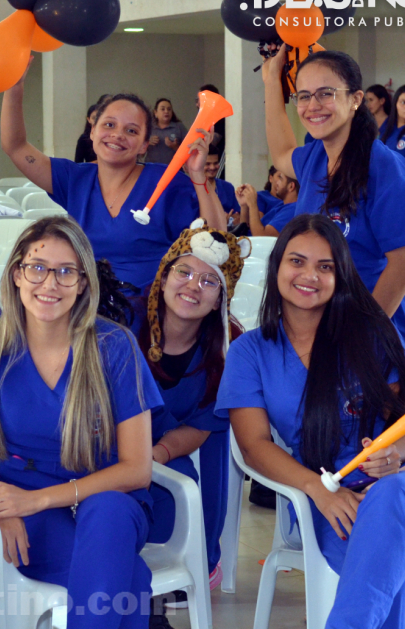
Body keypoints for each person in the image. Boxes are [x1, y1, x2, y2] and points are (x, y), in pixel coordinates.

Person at [218, 214, 405, 629]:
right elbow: (253, 446)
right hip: (334, 499)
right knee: (389, 569)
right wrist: (318, 489)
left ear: (341, 275)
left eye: (325, 266)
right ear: (277, 265)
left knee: (391, 499)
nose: (309, 276)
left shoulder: (370, 333)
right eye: (297, 262)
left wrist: (391, 453)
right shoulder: (250, 351)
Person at [0, 216, 163, 629]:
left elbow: (137, 469)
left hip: (105, 493)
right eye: (37, 268)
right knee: (128, 582)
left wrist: (41, 499)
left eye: (66, 272)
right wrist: (2, 505)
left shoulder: (114, 345)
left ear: (83, 283)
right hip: (23, 500)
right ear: (17, 275)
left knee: (111, 513)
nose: (50, 284)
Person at [0, 61, 226, 299]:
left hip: (150, 319)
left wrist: (198, 174)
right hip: (83, 313)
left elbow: (216, 241)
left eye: (131, 131)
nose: (117, 135)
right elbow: (15, 146)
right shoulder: (73, 179)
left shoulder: (165, 181)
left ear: (144, 145)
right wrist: (14, 88)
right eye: (109, 125)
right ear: (92, 131)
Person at [262, 47, 405, 367]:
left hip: (367, 333)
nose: (313, 106)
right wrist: (271, 79)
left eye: (326, 94)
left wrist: (359, 336)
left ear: (355, 100)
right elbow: (282, 151)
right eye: (304, 96)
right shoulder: (314, 158)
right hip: (317, 327)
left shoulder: (382, 165)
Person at [139, 221, 248, 603]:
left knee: (180, 471)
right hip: (113, 442)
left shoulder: (227, 348)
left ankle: (192, 557)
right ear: (164, 276)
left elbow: (201, 428)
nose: (192, 286)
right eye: (183, 272)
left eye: (208, 281)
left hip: (176, 446)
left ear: (220, 299)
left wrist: (158, 454)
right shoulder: (124, 326)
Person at [238, 168, 298, 237]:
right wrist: (244, 205)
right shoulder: (281, 205)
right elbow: (243, 231)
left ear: (291, 186)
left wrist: (252, 205)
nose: (277, 182)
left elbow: (261, 236)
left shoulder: (292, 209)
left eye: (281, 178)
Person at [143, 98, 188, 165]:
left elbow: (189, 151)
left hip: (174, 169)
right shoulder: (148, 127)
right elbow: (138, 151)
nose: (166, 111)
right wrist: (147, 142)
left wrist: (175, 147)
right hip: (151, 168)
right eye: (162, 109)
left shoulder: (179, 127)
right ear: (155, 113)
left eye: (169, 109)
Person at [204, 149, 241, 224]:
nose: (212, 167)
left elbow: (237, 216)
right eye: (207, 164)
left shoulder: (228, 187)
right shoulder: (189, 189)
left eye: (215, 163)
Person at [198, 84, 226, 154]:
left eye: (199, 99)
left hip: (217, 162)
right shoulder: (205, 119)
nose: (197, 104)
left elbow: (209, 143)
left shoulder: (219, 118)